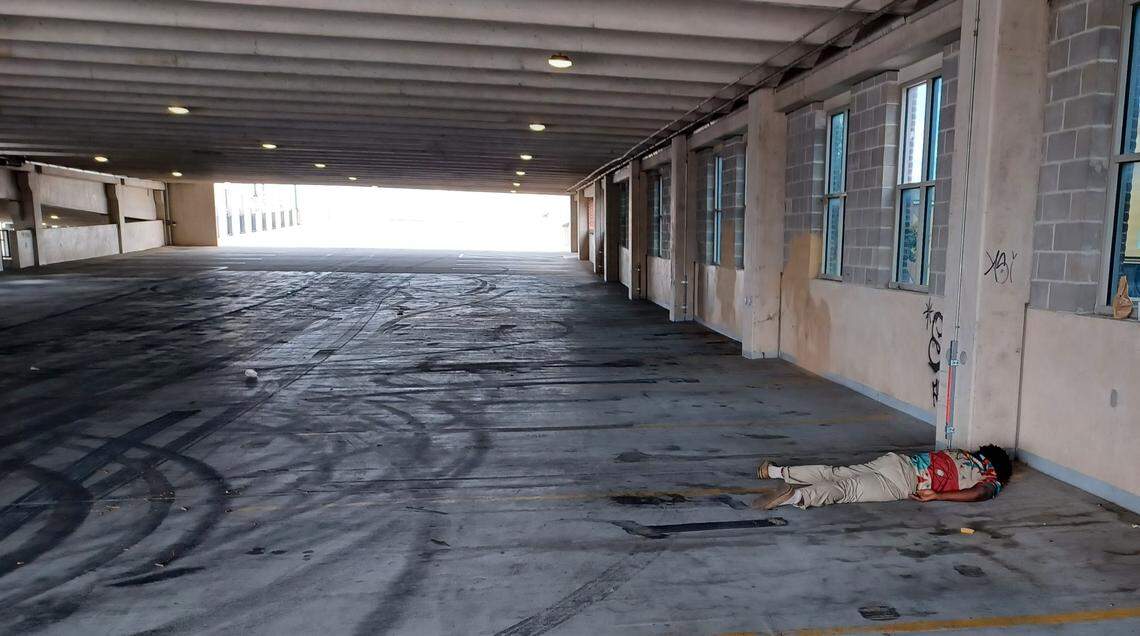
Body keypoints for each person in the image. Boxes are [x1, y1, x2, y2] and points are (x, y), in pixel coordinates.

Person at [756, 445, 1012, 510]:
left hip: (898, 461)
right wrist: (938, 495)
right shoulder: (991, 474)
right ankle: (796, 496)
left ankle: (775, 472)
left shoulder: (966, 454)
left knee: (836, 472)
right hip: (908, 482)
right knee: (847, 490)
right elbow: (981, 493)